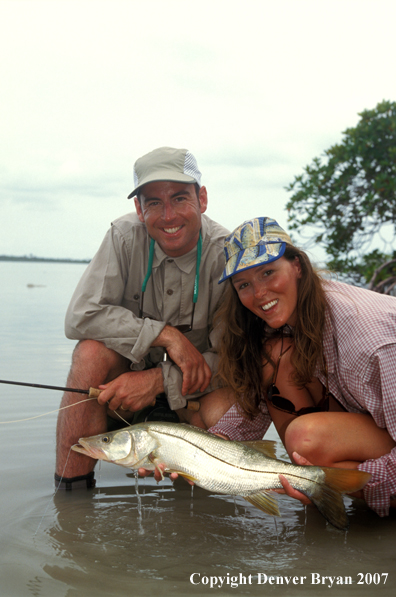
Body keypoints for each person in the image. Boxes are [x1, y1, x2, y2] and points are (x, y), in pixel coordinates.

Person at [55, 147, 235, 489]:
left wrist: (158, 381)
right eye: (153, 203)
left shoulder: (226, 253)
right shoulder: (122, 236)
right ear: (139, 209)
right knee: (90, 353)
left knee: (225, 408)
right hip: (122, 393)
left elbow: (236, 358)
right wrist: (167, 336)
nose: (168, 216)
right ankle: (69, 498)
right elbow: (80, 317)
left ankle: (198, 509)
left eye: (180, 198)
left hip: (192, 395)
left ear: (203, 199)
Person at [210, 216, 396, 517]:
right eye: (244, 284)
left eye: (268, 272)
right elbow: (252, 410)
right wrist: (201, 449)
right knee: (275, 356)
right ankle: (319, 488)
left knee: (305, 439)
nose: (259, 294)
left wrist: (347, 481)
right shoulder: (293, 322)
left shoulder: (370, 342)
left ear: (297, 265)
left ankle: (321, 486)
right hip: (379, 431)